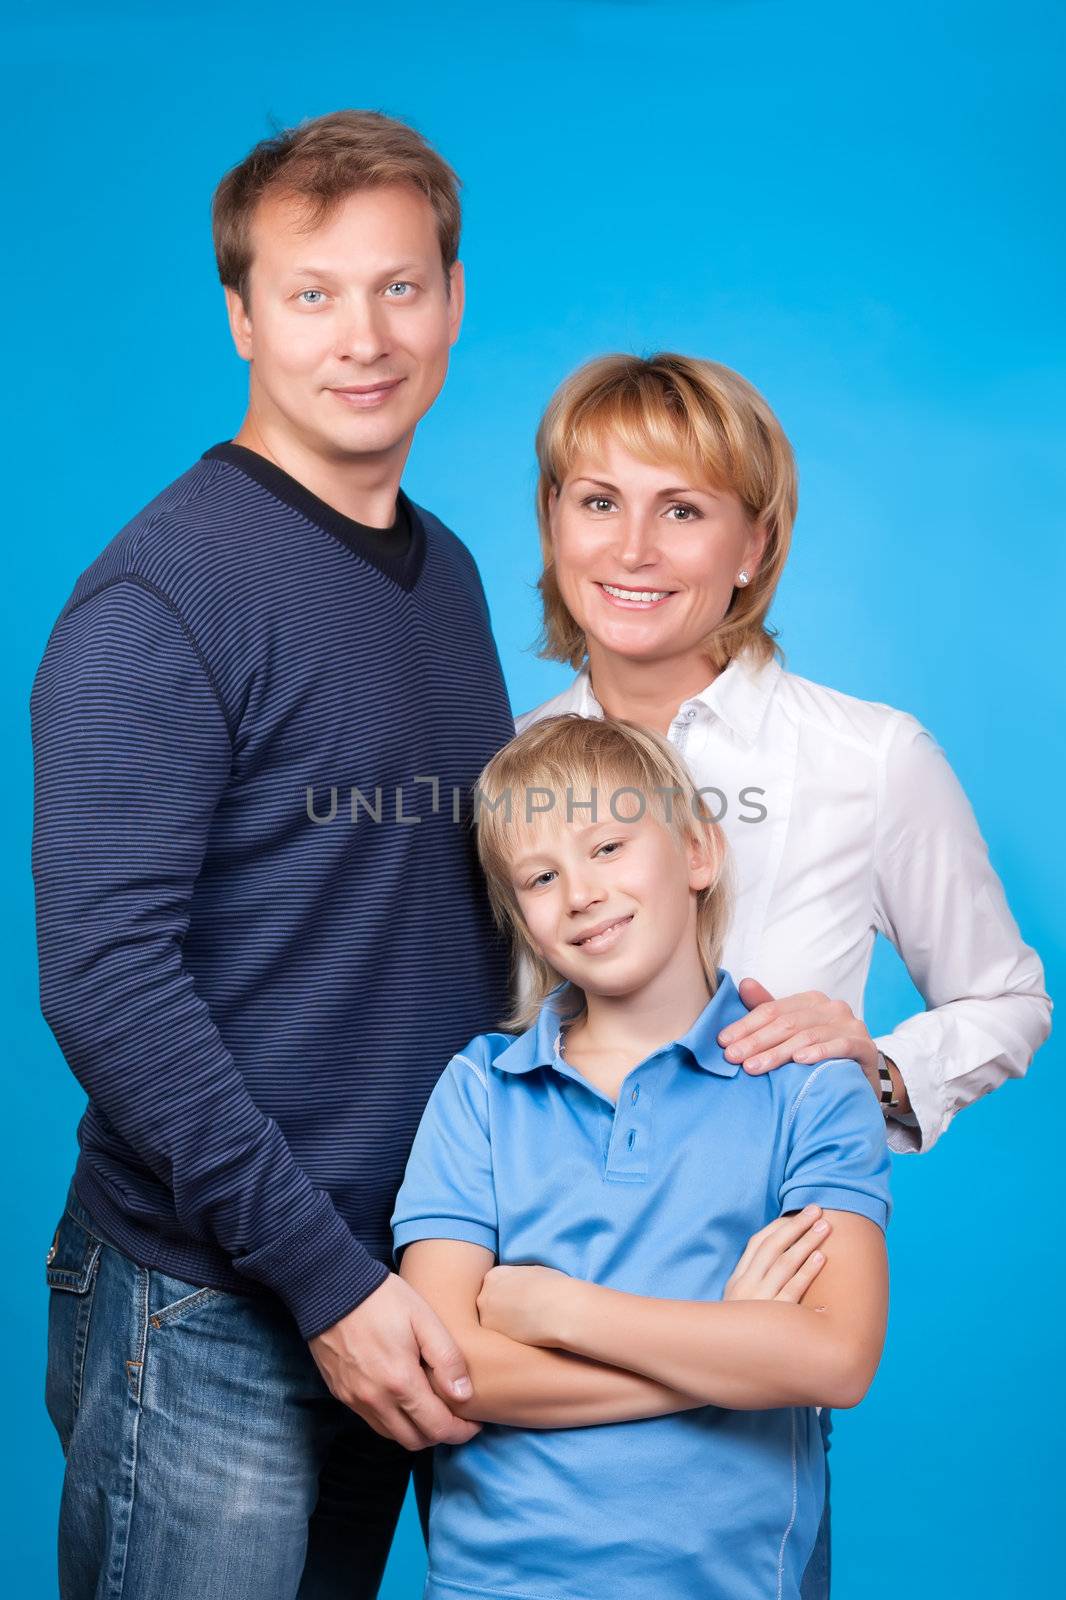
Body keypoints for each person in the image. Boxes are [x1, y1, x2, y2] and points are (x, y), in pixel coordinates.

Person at [32, 110, 514, 1598]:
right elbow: (104, 980)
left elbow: (460, 921)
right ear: (242, 315)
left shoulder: (447, 570)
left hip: (404, 1281)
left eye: (399, 287)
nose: (362, 337)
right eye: (312, 293)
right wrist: (325, 1281)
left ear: (449, 299)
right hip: (217, 1307)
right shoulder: (159, 600)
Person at [513, 350, 1052, 1591]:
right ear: (552, 525)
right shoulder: (501, 768)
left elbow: (1008, 996)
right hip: (531, 1365)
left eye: (683, 509)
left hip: (753, 1363)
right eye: (597, 501)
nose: (634, 548)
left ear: (753, 546)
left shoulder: (867, 760)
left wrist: (876, 1064)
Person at [391, 712, 892, 1600]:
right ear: (524, 919)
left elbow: (834, 1358)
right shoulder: (479, 1090)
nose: (580, 892)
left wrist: (558, 1307)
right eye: (541, 876)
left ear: (699, 851)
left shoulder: (811, 1087)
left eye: (610, 846)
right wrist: (730, 1356)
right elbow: (452, 1375)